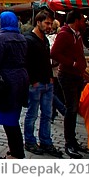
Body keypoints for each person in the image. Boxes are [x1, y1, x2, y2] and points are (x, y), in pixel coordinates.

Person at [23, 10, 63, 157]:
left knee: (46, 115)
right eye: (46, 23)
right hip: (35, 84)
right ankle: (30, 141)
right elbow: (26, 63)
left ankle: (46, 141)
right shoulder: (29, 39)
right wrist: (33, 81)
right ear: (38, 22)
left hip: (47, 83)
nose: (49, 26)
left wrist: (50, 77)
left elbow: (46, 61)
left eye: (50, 23)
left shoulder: (44, 40)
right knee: (32, 114)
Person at [51, 9, 89, 159]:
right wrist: (72, 63)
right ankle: (69, 143)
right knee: (71, 109)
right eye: (82, 19)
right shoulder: (65, 34)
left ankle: (73, 141)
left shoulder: (76, 34)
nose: (85, 22)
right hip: (68, 76)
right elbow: (54, 53)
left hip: (76, 75)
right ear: (76, 20)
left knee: (73, 109)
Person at [0, 11, 29, 159]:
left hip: (6, 80)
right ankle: (15, 149)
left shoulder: (0, 37)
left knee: (9, 119)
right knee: (14, 115)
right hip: (21, 78)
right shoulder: (21, 37)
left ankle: (17, 152)